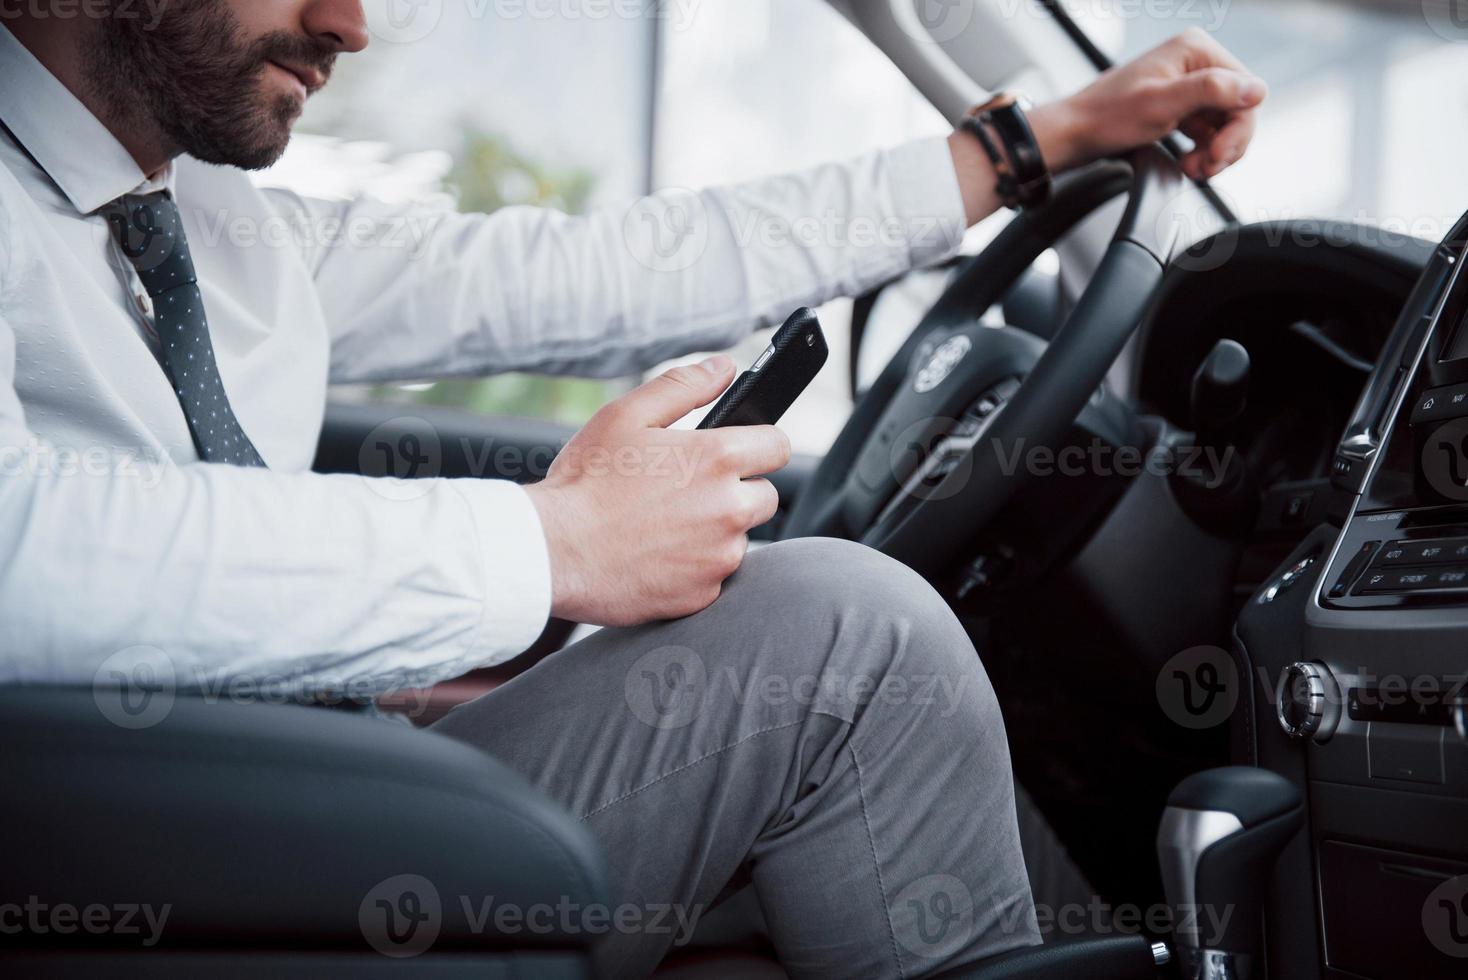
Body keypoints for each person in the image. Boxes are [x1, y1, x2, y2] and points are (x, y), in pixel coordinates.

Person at [0, 3, 1263, 976]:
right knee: (850, 637)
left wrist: (1027, 145)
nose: (350, 23)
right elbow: (21, 545)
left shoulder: (219, 226)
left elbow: (609, 269)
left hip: (296, 783)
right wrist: (554, 542)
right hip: (152, 856)